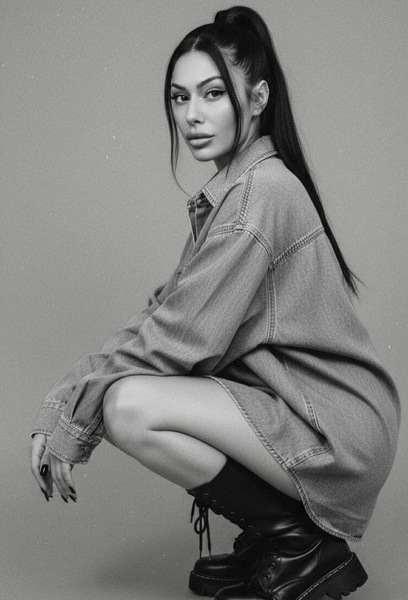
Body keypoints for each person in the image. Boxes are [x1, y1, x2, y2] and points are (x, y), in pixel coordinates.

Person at [31, 6, 400, 600]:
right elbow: (164, 314)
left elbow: (179, 339)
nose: (192, 116)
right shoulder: (238, 190)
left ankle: (299, 543)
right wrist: (67, 399)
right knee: (122, 395)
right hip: (308, 411)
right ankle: (282, 536)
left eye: (212, 94)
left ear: (257, 99)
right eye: (180, 98)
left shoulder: (259, 195)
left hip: (333, 431)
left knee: (127, 406)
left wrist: (73, 417)